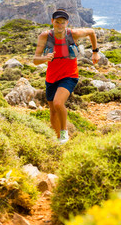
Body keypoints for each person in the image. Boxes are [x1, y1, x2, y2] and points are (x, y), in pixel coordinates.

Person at [33, 9, 100, 143]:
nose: (60, 25)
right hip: (51, 77)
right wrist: (45, 58)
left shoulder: (73, 34)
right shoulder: (45, 37)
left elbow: (91, 32)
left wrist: (95, 52)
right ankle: (58, 140)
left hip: (70, 75)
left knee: (58, 103)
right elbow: (35, 60)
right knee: (52, 111)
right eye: (57, 22)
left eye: (62, 23)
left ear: (67, 23)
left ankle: (64, 133)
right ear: (52, 22)